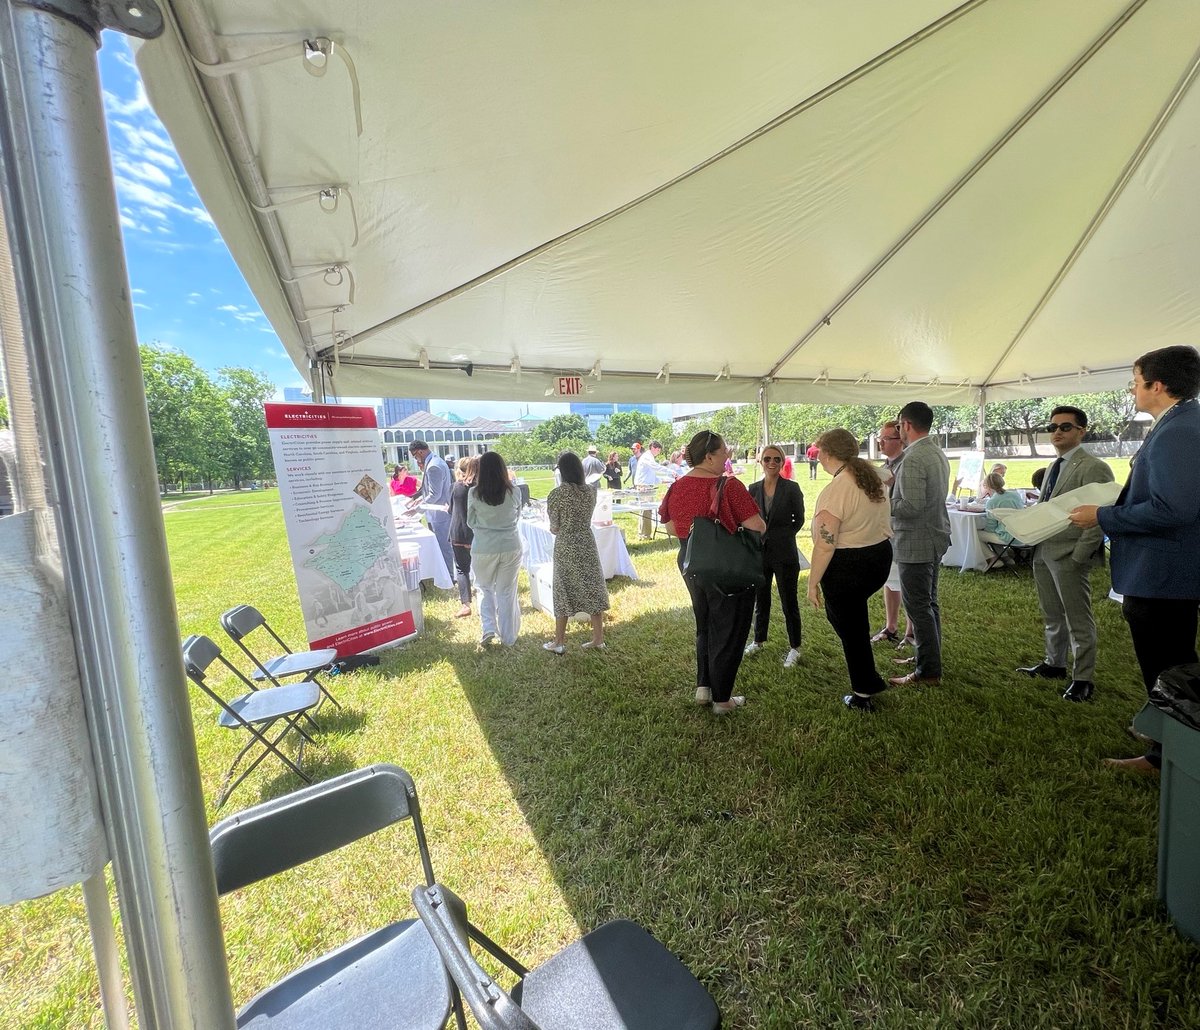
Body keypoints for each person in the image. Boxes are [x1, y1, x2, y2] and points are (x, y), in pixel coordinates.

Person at [1069, 345, 1200, 771]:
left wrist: (1103, 515)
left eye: (1135, 381)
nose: (1131, 390)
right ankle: (1164, 731)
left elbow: (1174, 509)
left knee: (1168, 664)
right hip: (1167, 569)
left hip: (1162, 572)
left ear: (1156, 386)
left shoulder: (1179, 429)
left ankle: (1166, 755)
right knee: (1172, 661)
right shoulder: (1181, 421)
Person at [659, 430, 766, 714]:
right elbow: (758, 526)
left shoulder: (677, 486)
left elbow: (670, 527)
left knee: (704, 624)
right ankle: (722, 700)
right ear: (709, 457)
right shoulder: (728, 486)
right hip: (725, 564)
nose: (727, 457)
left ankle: (704, 688)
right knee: (729, 630)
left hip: (690, 562)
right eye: (723, 453)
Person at [1016, 406, 1114, 701]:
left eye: (1065, 427)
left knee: (1077, 618)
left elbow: (1102, 513)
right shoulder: (1054, 465)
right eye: (1053, 427)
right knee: (1052, 612)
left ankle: (1083, 678)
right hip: (1044, 549)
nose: (1057, 432)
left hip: (1070, 553)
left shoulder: (1093, 466)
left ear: (1082, 431)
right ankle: (1053, 663)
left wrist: (1079, 555)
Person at [807, 429, 894, 710]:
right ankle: (866, 678)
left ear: (828, 454)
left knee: (850, 627)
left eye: (820, 451)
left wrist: (812, 582)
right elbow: (888, 477)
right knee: (853, 623)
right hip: (878, 558)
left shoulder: (836, 490)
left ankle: (863, 692)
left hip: (850, 566)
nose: (818, 457)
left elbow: (824, 545)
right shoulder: (872, 475)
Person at [888, 401, 951, 688]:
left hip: (916, 541)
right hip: (933, 536)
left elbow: (911, 506)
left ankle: (927, 672)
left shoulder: (913, 457)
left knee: (918, 607)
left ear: (907, 425)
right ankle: (927, 659)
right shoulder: (936, 451)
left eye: (899, 426)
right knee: (929, 604)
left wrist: (882, 500)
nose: (899, 431)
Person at [543, 451, 610, 653]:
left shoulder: (557, 494)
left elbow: (555, 526)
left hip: (566, 545)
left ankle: (559, 641)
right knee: (592, 586)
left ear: (561, 471)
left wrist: (557, 527)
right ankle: (598, 639)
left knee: (563, 589)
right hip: (586, 542)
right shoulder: (591, 491)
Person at [745, 444, 805, 668]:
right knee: (761, 599)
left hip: (784, 552)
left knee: (789, 601)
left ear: (782, 462)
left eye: (777, 459)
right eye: (767, 459)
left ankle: (795, 647)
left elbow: (798, 519)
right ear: (760, 461)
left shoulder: (791, 488)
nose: (772, 463)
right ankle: (758, 640)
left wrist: (783, 536)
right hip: (760, 553)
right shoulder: (753, 489)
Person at [466, 451, 523, 646]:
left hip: (483, 546)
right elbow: (517, 516)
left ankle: (489, 628)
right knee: (506, 591)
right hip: (510, 545)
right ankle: (509, 637)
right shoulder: (514, 491)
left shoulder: (473, 493)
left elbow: (470, 521)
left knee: (484, 588)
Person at [870, 420, 913, 649]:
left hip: (906, 532)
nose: (881, 443)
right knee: (890, 580)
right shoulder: (884, 464)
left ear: (900, 440)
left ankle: (911, 633)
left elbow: (910, 501)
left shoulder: (908, 464)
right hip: (886, 532)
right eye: (880, 439)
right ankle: (891, 626)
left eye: (885, 439)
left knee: (908, 583)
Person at [408, 439, 454, 583]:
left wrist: (417, 509)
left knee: (443, 547)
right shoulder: (434, 461)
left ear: (420, 451)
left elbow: (435, 494)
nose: (416, 459)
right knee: (441, 546)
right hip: (436, 512)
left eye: (415, 456)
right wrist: (419, 499)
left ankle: (449, 577)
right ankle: (445, 574)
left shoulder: (434, 466)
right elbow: (428, 489)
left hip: (439, 514)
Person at [447, 455, 477, 619]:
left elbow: (451, 510)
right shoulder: (479, 488)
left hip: (458, 531)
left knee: (461, 569)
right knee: (480, 569)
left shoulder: (455, 487)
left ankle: (466, 604)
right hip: (475, 532)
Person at [978, 472, 1026, 571]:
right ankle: (1006, 558)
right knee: (996, 533)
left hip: (1008, 537)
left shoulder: (992, 502)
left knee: (977, 534)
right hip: (1023, 534)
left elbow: (990, 528)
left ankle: (992, 558)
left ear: (986, 486)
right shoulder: (1015, 495)